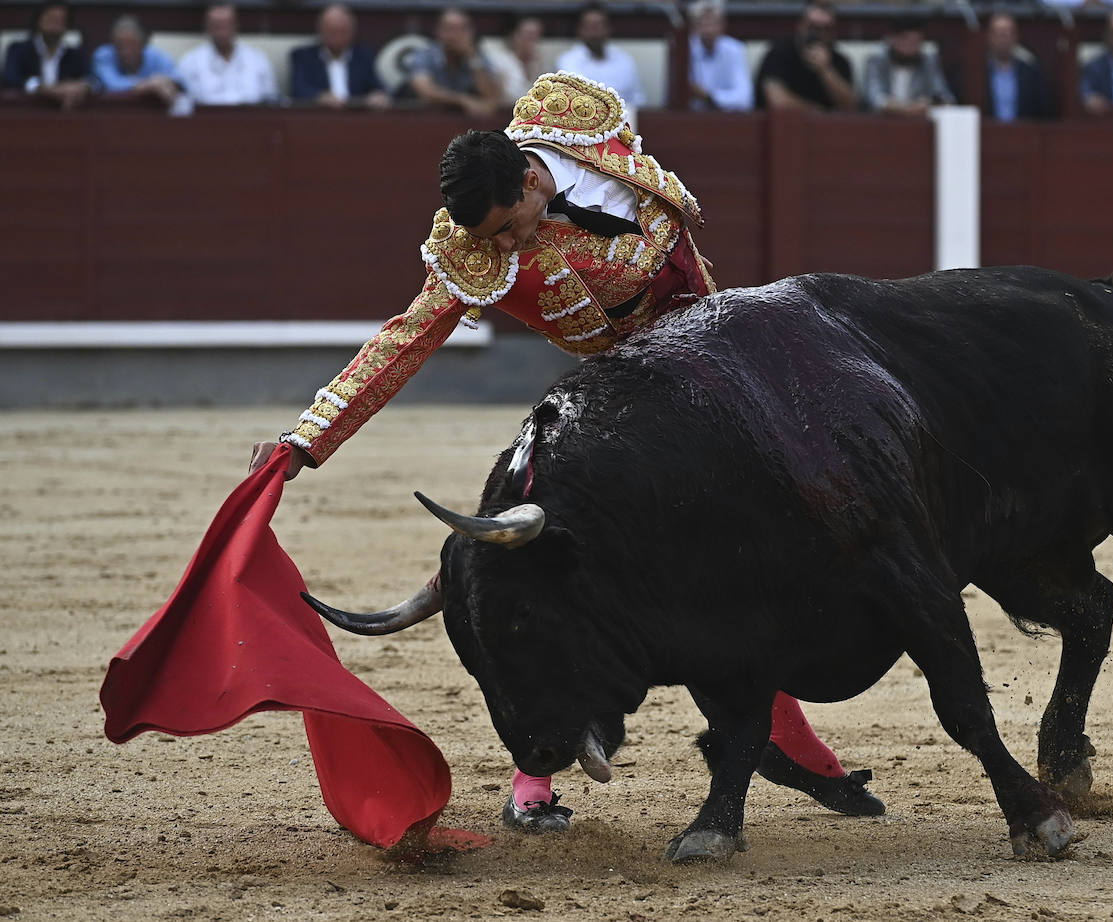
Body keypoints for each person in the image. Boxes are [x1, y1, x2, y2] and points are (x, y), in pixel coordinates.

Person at [248, 71, 884, 834]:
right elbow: (404, 338)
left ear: (531, 174)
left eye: (511, 225)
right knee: (566, 579)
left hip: (721, 368)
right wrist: (305, 440)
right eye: (493, 241)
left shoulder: (573, 115)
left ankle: (781, 741)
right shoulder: (477, 254)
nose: (508, 247)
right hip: (634, 411)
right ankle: (536, 777)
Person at [755, 1, 856, 112]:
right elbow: (777, 101)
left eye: (826, 29)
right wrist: (817, 113)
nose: (819, 34)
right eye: (814, 27)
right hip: (786, 125)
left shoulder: (840, 60)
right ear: (801, 26)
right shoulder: (779, 53)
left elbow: (850, 106)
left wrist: (826, 70)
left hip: (831, 127)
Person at [289, 3, 389, 109]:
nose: (337, 37)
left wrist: (378, 96)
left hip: (356, 115)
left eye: (342, 31)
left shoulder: (364, 56)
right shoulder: (303, 56)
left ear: (352, 32)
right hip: (319, 115)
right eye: (331, 31)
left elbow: (379, 88)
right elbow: (298, 89)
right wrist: (320, 97)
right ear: (320, 31)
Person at [177, 2, 278, 106]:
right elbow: (185, 104)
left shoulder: (257, 59)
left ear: (236, 26)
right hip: (207, 119)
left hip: (252, 118)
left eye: (226, 26)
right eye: (217, 27)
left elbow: (271, 100)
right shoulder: (190, 62)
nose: (222, 33)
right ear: (207, 28)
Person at [408, 7, 503, 115]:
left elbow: (491, 96)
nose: (456, 35)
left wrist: (472, 58)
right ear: (438, 32)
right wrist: (462, 100)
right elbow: (425, 91)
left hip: (465, 125)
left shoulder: (477, 56)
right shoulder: (424, 55)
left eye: (462, 29)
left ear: (471, 32)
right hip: (426, 119)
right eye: (450, 29)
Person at [1, 0, 91, 110]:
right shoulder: (18, 50)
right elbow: (10, 78)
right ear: (39, 20)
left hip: (66, 113)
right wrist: (45, 89)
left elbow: (94, 80)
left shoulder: (75, 54)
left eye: (60, 20)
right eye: (51, 19)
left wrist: (81, 86)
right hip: (27, 113)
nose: (54, 25)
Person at [555, 3, 645, 110]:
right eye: (590, 26)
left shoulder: (625, 60)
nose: (595, 31)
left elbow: (638, 98)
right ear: (580, 30)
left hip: (626, 119)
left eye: (599, 25)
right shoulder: (567, 61)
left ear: (608, 29)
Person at [861, 16, 954, 116]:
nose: (912, 47)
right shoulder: (876, 60)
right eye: (906, 41)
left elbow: (945, 97)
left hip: (919, 122)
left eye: (917, 41)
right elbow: (874, 98)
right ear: (892, 39)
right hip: (882, 123)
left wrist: (931, 103)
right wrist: (905, 108)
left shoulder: (928, 62)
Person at [91, 14, 183, 107]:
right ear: (113, 44)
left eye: (133, 44)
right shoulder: (104, 55)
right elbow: (110, 84)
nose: (126, 51)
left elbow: (178, 80)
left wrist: (166, 82)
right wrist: (149, 84)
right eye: (120, 45)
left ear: (143, 44)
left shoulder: (156, 55)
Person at [983, 12, 1051, 122]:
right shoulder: (977, 74)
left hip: (1024, 135)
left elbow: (1043, 111)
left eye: (1007, 34)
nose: (1003, 40)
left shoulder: (1031, 73)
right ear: (989, 37)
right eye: (999, 34)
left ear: (1016, 37)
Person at [687, 0, 753, 112]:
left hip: (727, 119)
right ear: (693, 27)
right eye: (702, 24)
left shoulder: (734, 50)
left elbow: (744, 99)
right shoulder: (684, 50)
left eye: (712, 23)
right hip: (692, 119)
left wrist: (709, 97)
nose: (708, 30)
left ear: (722, 26)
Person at [486, 14, 545, 105]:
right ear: (513, 36)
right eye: (528, 35)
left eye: (536, 35)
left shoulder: (540, 62)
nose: (533, 40)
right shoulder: (499, 61)